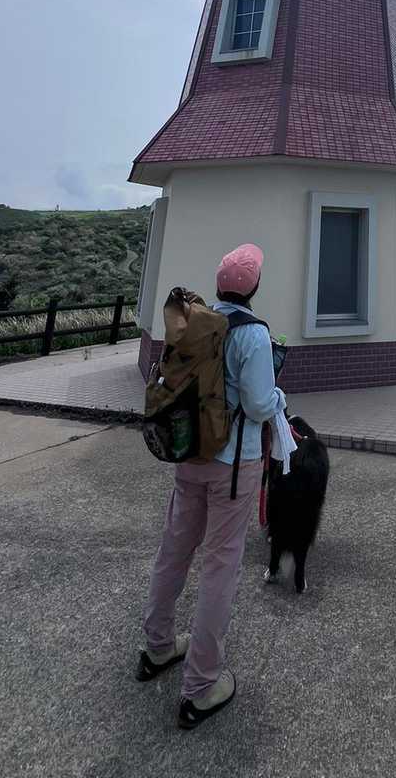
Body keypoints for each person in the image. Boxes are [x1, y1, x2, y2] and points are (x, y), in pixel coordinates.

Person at [138, 242, 285, 730]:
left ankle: (158, 646)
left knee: (174, 550)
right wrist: (279, 395)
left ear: (219, 285)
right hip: (233, 466)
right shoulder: (253, 334)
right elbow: (260, 405)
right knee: (221, 566)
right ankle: (201, 686)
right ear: (255, 286)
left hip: (189, 455)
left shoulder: (194, 324)